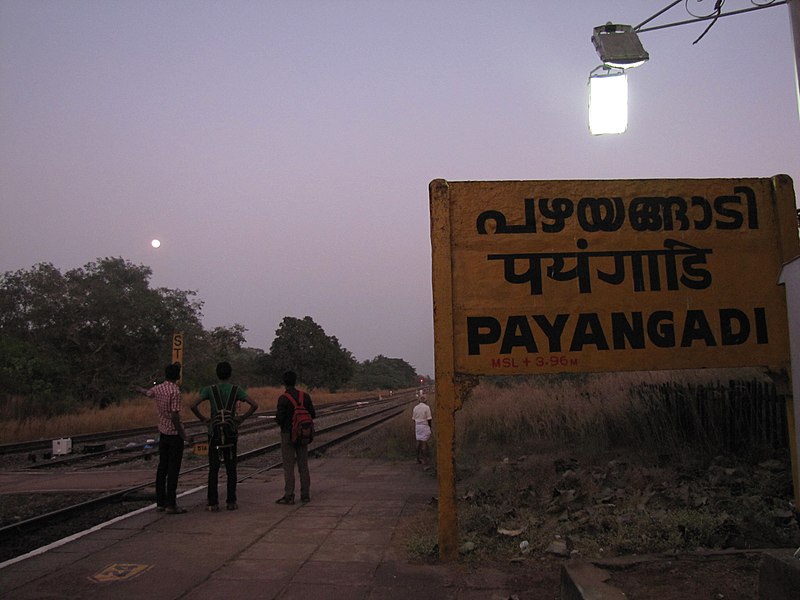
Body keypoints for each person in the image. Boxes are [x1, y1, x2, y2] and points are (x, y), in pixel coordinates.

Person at [190, 361, 258, 511]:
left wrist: (204, 419)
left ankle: (213, 502)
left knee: (213, 467)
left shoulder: (209, 390)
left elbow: (193, 405)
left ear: (217, 374)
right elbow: (254, 405)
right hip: (230, 433)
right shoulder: (236, 390)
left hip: (214, 433)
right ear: (230, 374)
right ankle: (231, 501)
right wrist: (241, 418)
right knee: (231, 467)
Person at [133, 362, 189, 514]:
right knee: (173, 469)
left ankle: (160, 502)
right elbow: (175, 416)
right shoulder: (175, 391)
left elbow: (148, 393)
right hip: (174, 435)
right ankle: (171, 504)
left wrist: (138, 389)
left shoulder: (159, 388)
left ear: (166, 375)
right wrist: (184, 435)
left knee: (162, 467)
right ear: (177, 376)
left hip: (163, 434)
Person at [275, 371, 315, 505]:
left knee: (288, 466)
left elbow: (279, 419)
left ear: (284, 382)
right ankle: (305, 494)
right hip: (302, 435)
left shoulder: (283, 398)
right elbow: (312, 414)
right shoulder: (305, 396)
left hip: (287, 434)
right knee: (303, 465)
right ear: (295, 381)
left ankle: (289, 495)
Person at [412, 395, 433, 464]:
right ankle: (425, 462)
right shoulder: (427, 407)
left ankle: (417, 459)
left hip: (417, 426)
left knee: (418, 442)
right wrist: (430, 427)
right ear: (425, 400)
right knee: (424, 443)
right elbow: (429, 419)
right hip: (424, 425)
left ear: (419, 400)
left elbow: (414, 419)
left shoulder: (415, 408)